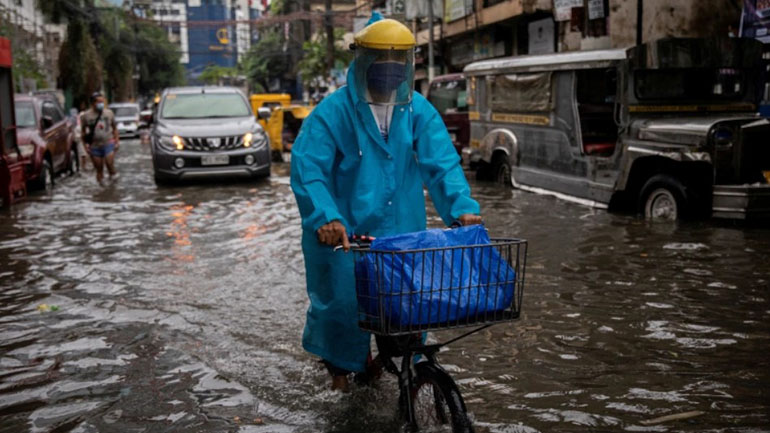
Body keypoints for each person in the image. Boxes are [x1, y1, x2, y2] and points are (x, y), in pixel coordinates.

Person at [290, 13, 482, 392]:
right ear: (362, 60)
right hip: (345, 237)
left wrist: (462, 207)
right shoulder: (333, 112)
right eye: (382, 60)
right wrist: (325, 217)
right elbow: (308, 170)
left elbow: (442, 163)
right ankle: (340, 381)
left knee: (407, 316)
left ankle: (396, 373)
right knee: (343, 316)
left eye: (399, 61)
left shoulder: (418, 110)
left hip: (401, 237)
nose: (390, 70)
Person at [80, 92, 119, 184]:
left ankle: (113, 185)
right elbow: (83, 132)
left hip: (108, 143)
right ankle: (101, 189)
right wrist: (85, 146)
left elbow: (114, 128)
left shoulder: (109, 113)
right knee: (99, 169)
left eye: (103, 101)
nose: (101, 104)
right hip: (95, 146)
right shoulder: (86, 116)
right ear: (93, 103)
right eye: (99, 102)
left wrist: (117, 141)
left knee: (110, 164)